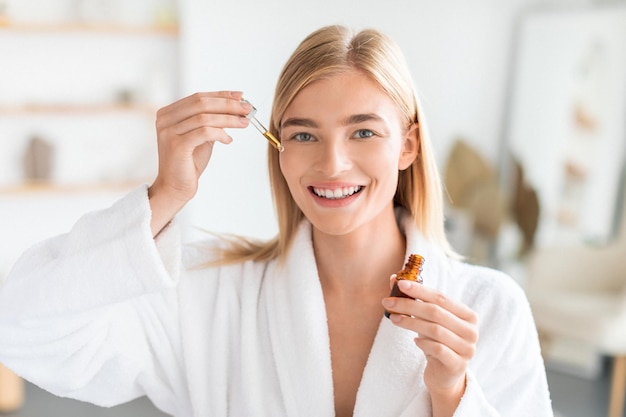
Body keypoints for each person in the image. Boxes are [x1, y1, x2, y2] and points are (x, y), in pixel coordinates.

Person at [0, 25, 552, 417]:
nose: (332, 163)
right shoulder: (209, 297)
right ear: (278, 148)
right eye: (304, 134)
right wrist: (164, 195)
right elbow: (22, 330)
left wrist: (453, 393)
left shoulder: (488, 309)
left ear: (407, 145)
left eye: (363, 131)